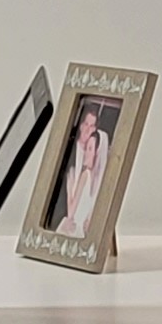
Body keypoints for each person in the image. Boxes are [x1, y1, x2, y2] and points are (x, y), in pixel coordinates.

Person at [55, 95, 116, 238]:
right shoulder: (69, 151)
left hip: (76, 226)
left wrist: (70, 189)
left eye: (92, 126)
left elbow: (74, 208)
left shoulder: (87, 175)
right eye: (86, 124)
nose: (88, 129)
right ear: (80, 125)